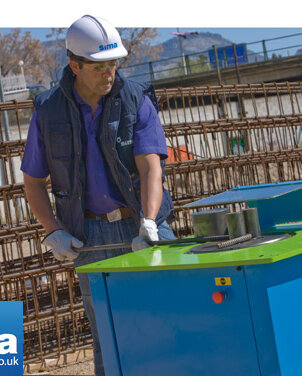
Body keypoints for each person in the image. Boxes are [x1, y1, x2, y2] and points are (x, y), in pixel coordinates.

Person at [21, 15, 175, 376]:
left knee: (171, 318)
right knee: (110, 334)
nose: (109, 74)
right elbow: (32, 181)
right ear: (74, 64)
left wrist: (150, 221)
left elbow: (150, 166)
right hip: (90, 237)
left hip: (143, 226)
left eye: (114, 64)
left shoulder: (136, 99)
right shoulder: (47, 111)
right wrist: (52, 229)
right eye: (99, 66)